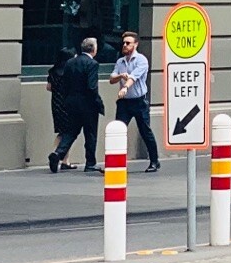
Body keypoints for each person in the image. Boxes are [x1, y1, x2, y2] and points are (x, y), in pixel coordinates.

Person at [47, 37, 104, 174]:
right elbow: (92, 87)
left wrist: (67, 100)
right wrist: (98, 102)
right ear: (94, 49)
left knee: (71, 132)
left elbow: (65, 84)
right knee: (90, 134)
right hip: (88, 104)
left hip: (71, 103)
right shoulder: (92, 64)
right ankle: (90, 163)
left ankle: (58, 153)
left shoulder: (70, 63)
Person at [108, 30, 160, 172]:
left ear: (135, 44)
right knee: (118, 131)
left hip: (139, 101)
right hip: (124, 103)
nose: (124, 45)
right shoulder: (120, 61)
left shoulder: (141, 60)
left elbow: (134, 77)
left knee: (145, 131)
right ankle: (114, 163)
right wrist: (120, 76)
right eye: (123, 43)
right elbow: (112, 78)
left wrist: (125, 87)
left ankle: (154, 161)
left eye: (128, 43)